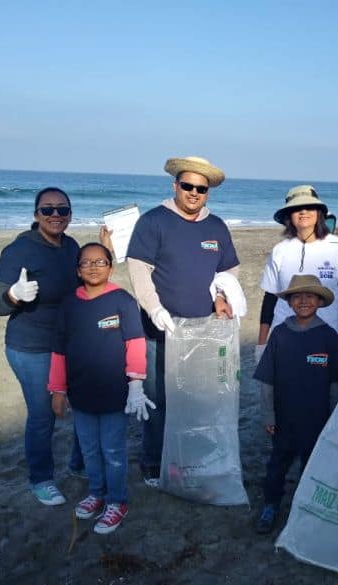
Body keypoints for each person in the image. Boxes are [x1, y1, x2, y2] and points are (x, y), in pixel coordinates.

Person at [125, 156, 241, 486]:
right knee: (159, 399)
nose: (193, 193)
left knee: (194, 397)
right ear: (175, 185)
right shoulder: (153, 221)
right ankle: (152, 462)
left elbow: (228, 269)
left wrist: (222, 297)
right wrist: (155, 309)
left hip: (202, 331)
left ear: (207, 193)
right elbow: (138, 269)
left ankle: (188, 456)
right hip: (159, 330)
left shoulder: (216, 226)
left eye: (200, 189)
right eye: (187, 186)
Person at [0, 187, 103, 506]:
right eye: (48, 210)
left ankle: (80, 464)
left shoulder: (71, 247)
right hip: (31, 347)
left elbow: (86, 287)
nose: (55, 216)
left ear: (70, 214)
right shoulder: (19, 250)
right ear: (36, 214)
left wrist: (104, 253)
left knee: (82, 404)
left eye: (62, 210)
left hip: (70, 343)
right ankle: (41, 478)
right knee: (43, 415)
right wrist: (14, 295)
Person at [48, 243, 154, 534]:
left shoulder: (122, 300)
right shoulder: (69, 304)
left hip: (114, 394)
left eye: (100, 261)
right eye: (86, 263)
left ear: (110, 266)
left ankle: (117, 501)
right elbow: (59, 350)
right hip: (81, 395)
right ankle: (96, 493)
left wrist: (136, 384)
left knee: (113, 450)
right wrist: (57, 389)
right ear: (77, 269)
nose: (93, 267)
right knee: (90, 450)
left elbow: (135, 343)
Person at [253, 274, 338, 534]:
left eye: (309, 296)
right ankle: (271, 505)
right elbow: (266, 381)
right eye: (297, 296)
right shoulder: (280, 334)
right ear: (289, 301)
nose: (303, 300)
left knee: (313, 466)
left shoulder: (328, 337)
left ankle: (307, 508)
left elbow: (336, 383)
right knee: (277, 466)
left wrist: (335, 419)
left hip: (318, 420)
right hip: (284, 419)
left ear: (319, 301)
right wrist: (268, 416)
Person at [256, 185, 338, 363]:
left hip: (326, 339)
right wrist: (261, 344)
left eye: (309, 207)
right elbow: (269, 297)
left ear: (319, 213)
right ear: (288, 216)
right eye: (296, 208)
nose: (303, 211)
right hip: (283, 337)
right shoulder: (280, 250)